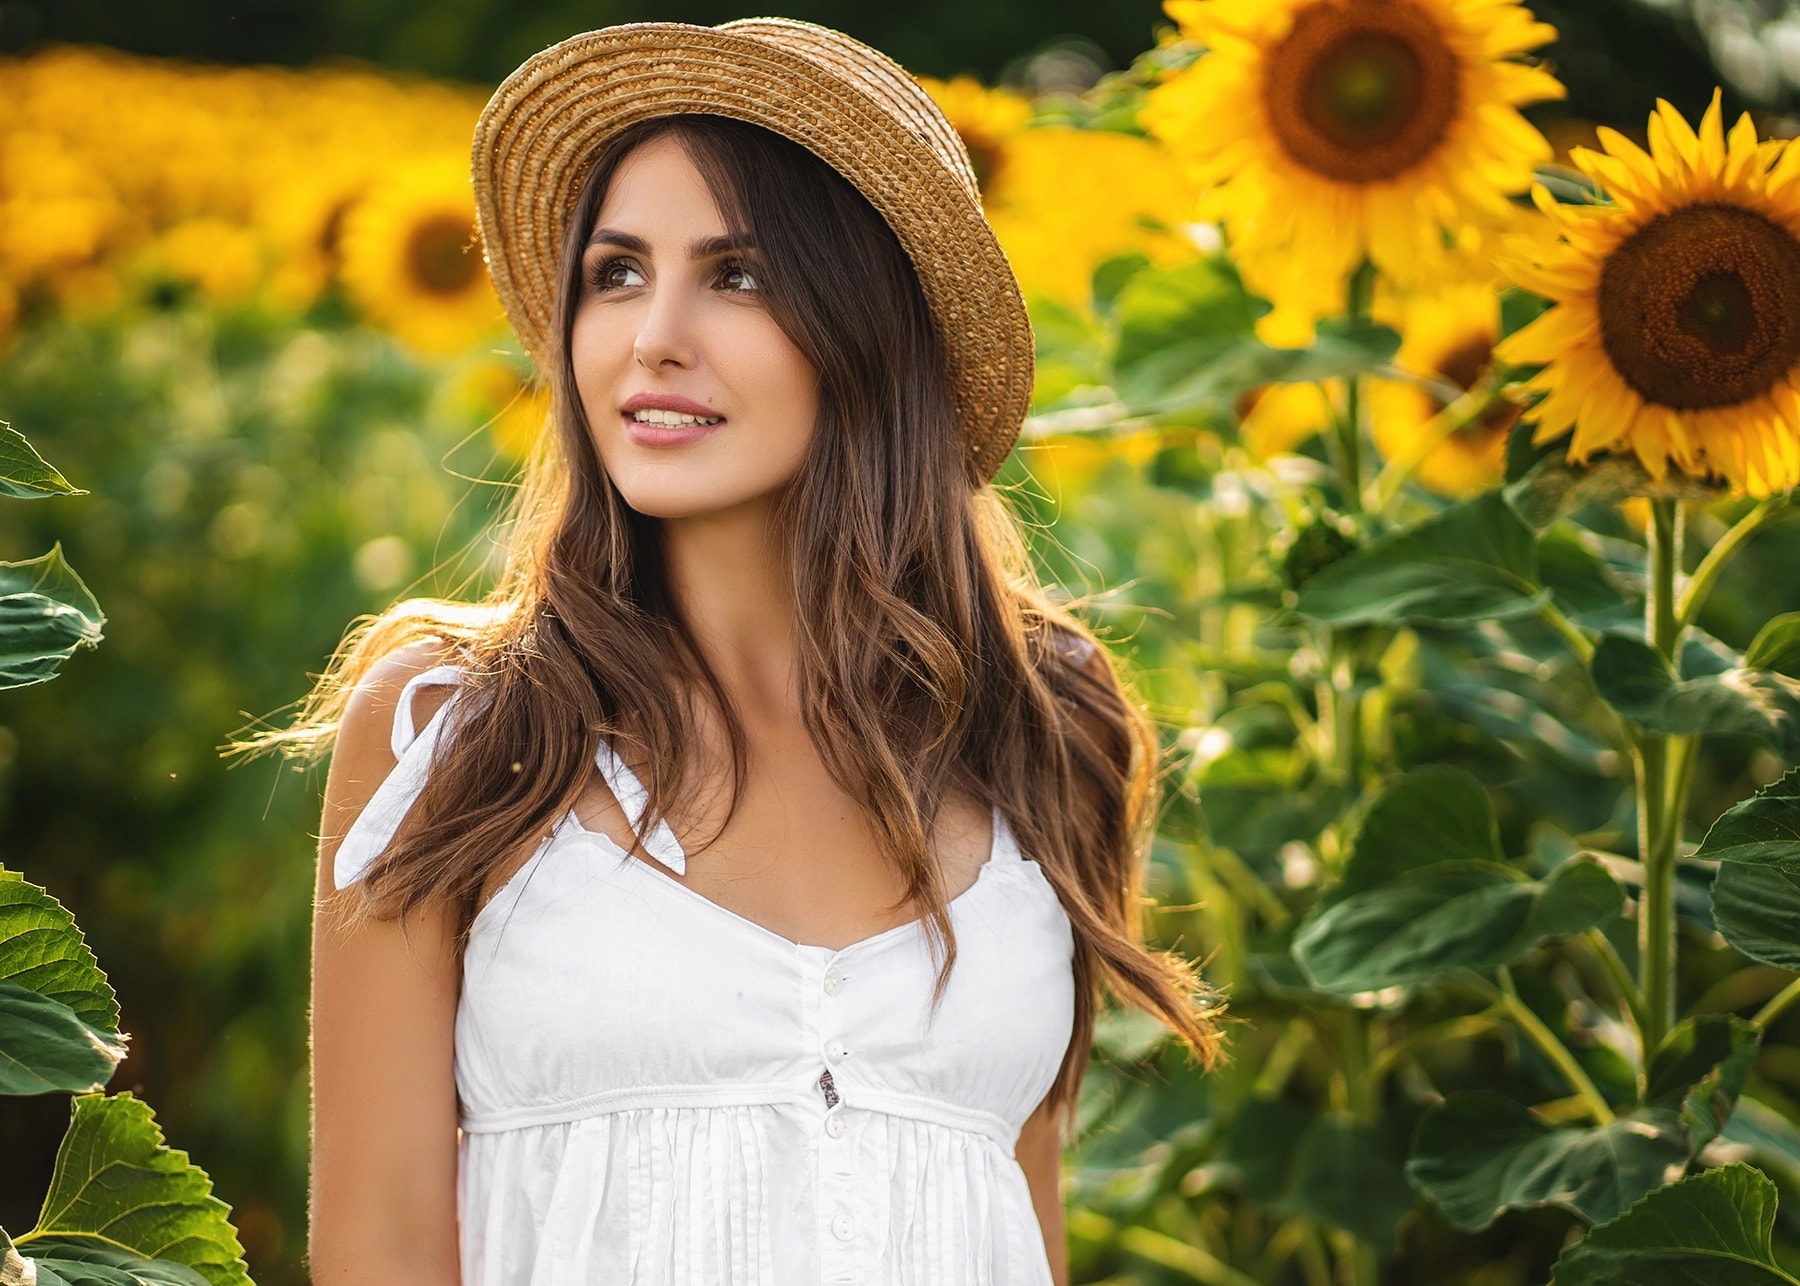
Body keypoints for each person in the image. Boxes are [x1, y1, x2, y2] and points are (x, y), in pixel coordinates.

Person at [287, 17, 1225, 1285]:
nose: (651, 334)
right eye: (616, 273)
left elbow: (1018, 1224)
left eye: (736, 275)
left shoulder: (1039, 726)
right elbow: (379, 1250)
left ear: (869, 331)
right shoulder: (456, 731)